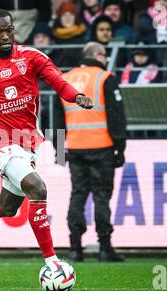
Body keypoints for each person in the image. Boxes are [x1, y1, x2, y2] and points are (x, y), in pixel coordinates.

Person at [0, 9, 92, 264]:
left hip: (27, 142)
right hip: (1, 143)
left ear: (14, 30)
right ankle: (52, 262)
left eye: (9, 30)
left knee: (7, 208)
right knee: (37, 187)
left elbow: (58, 82)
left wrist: (76, 95)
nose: (5, 36)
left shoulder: (31, 57)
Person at [57, 42, 127, 262]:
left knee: (78, 195)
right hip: (102, 147)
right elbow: (116, 115)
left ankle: (75, 249)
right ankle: (105, 248)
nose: (105, 58)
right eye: (104, 55)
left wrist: (59, 151)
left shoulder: (65, 79)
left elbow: (57, 118)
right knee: (101, 196)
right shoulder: (104, 77)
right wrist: (120, 148)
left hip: (74, 148)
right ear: (96, 55)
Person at [51, 2, 87, 69]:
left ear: (75, 17)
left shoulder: (84, 35)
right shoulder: (52, 38)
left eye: (70, 15)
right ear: (59, 18)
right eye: (64, 15)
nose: (67, 18)